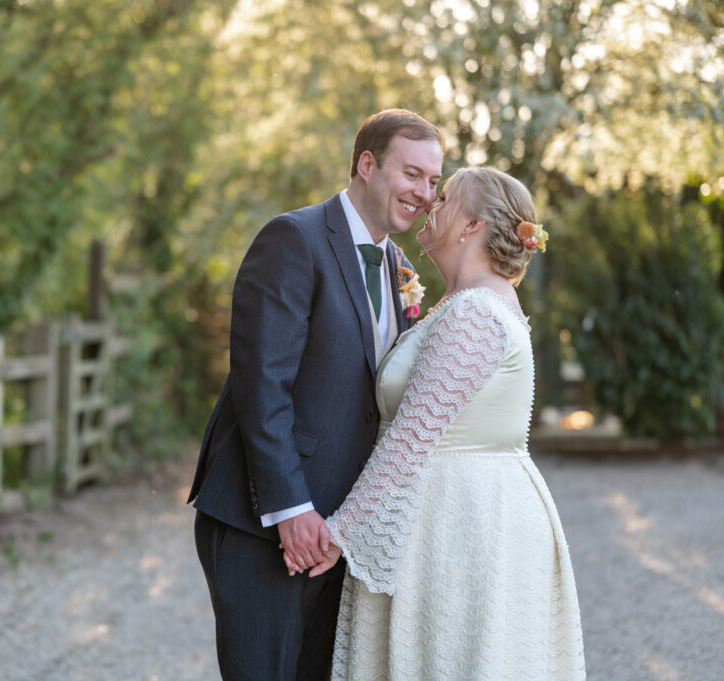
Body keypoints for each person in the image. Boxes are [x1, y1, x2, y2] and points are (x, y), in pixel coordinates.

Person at [293, 167, 586, 680]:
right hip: (446, 512)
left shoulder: (475, 312)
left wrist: (340, 532)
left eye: (445, 195)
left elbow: (412, 437)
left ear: (472, 225)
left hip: (464, 523)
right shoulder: (462, 303)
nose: (430, 201)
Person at [187, 109, 444, 681]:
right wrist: (291, 508)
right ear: (367, 164)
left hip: (338, 531)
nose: (425, 193)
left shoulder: (399, 267)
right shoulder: (294, 239)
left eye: (433, 181)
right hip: (265, 520)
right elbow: (262, 384)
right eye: (412, 174)